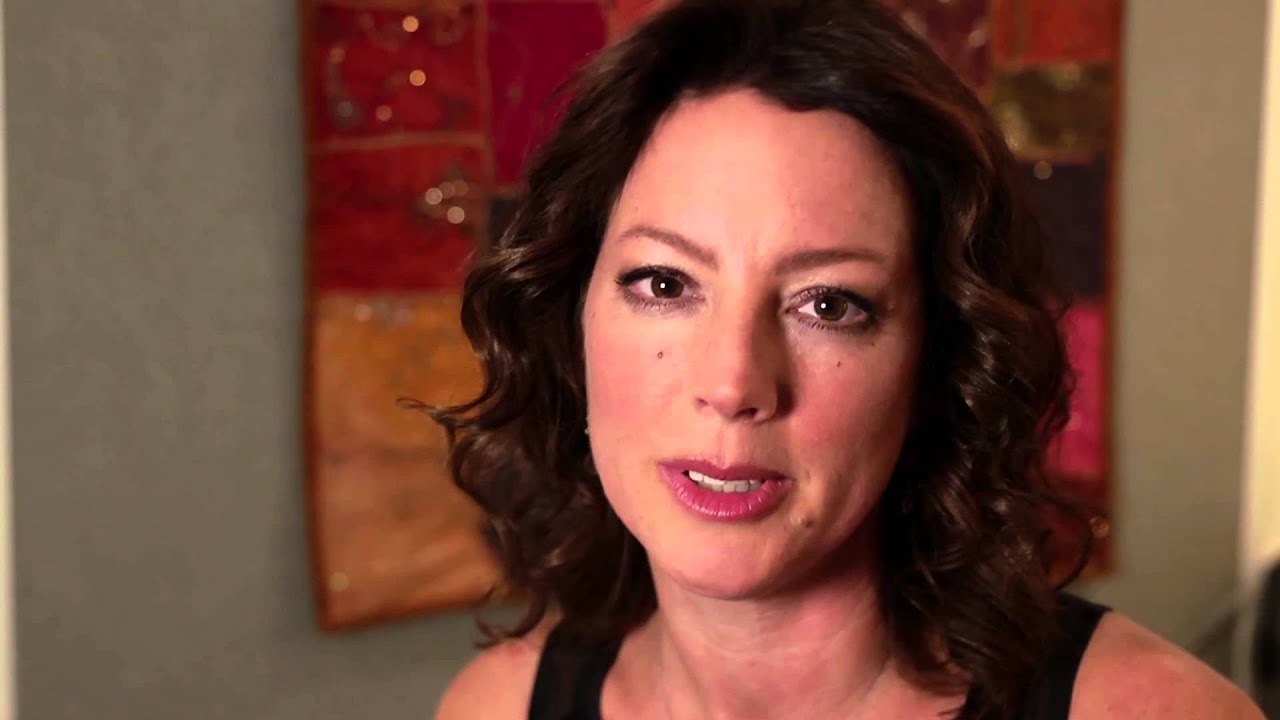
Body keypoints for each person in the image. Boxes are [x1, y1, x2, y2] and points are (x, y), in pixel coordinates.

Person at [430, 1, 1265, 717]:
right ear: (569, 319)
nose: (733, 383)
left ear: (938, 357)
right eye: (664, 283)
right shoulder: (495, 707)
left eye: (828, 305)